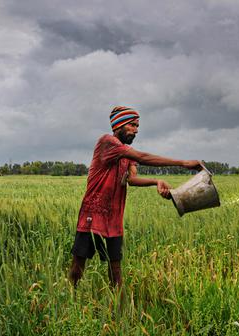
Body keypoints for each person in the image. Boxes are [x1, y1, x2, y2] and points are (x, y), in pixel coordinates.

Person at [69, 106, 202, 289]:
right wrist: (183, 163)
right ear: (119, 125)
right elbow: (142, 156)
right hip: (93, 214)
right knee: (79, 263)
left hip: (114, 217)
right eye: (132, 125)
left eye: (137, 126)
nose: (136, 130)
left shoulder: (126, 153)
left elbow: (131, 179)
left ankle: (117, 307)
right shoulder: (107, 142)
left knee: (115, 267)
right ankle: (71, 295)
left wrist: (156, 181)